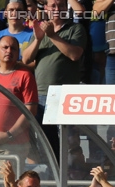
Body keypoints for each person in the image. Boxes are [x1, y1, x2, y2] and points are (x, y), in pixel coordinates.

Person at [22, 0, 86, 156]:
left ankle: (70, 175)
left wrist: (52, 36)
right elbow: (25, 59)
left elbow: (74, 54)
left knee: (69, 143)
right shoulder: (40, 30)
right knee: (47, 143)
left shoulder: (75, 29)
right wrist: (38, 39)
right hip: (40, 95)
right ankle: (52, 176)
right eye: (53, 6)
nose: (57, 9)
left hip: (64, 96)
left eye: (61, 6)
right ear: (46, 8)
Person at [0, 36, 38, 180]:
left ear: (18, 53)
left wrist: (9, 134)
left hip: (14, 146)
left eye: (13, 48)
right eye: (5, 47)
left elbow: (30, 111)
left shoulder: (26, 76)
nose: (9, 51)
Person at [0, 0, 34, 70]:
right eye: (11, 10)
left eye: (19, 10)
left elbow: (36, 64)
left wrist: (13, 65)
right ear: (5, 13)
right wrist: (3, 67)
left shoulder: (34, 35)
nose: (14, 13)